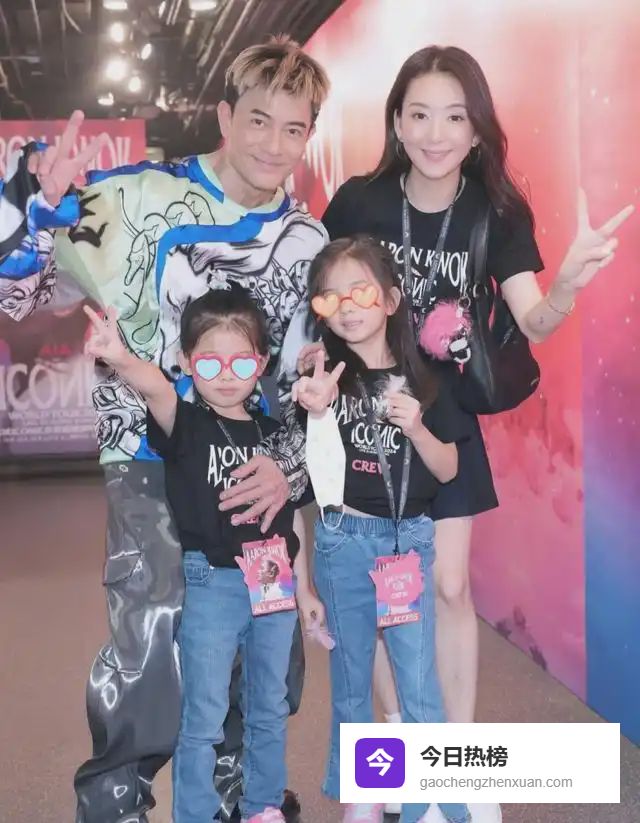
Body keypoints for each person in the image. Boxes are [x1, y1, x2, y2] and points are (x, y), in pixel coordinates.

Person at [0, 36, 329, 823]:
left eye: (293, 128)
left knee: (261, 645)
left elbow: (310, 387)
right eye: (258, 120)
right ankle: (115, 801)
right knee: (151, 636)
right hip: (148, 452)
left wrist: (288, 471)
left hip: (255, 472)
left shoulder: (309, 244)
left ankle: (233, 795)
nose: (272, 145)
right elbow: (18, 299)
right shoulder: (132, 196)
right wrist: (30, 213)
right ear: (224, 114)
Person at [319, 45, 633, 734]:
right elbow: (321, 302)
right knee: (375, 592)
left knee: (449, 584)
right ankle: (400, 729)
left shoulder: (496, 211)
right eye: (420, 115)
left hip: (445, 417)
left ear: (477, 129)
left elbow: (534, 321)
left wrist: (567, 285)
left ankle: (455, 750)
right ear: (396, 122)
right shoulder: (359, 202)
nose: (436, 134)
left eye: (455, 117)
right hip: (363, 418)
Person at [82, 285, 325, 823]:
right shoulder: (186, 424)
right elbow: (154, 387)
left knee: (269, 707)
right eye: (210, 362)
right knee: (205, 715)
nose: (227, 375)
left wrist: (305, 588)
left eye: (242, 361)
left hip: (274, 585)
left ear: (262, 362)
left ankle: (263, 807)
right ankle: (193, 813)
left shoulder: (275, 436)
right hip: (214, 584)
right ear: (188, 363)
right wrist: (120, 357)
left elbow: (289, 518)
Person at [294, 235, 471, 823]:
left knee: (418, 680)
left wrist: (417, 427)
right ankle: (365, 794)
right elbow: (310, 475)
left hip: (407, 544)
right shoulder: (322, 379)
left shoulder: (428, 379)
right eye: (329, 298)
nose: (347, 307)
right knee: (350, 682)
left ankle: (435, 799)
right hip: (343, 540)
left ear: (391, 300)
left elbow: (448, 469)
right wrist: (316, 410)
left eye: (361, 292)